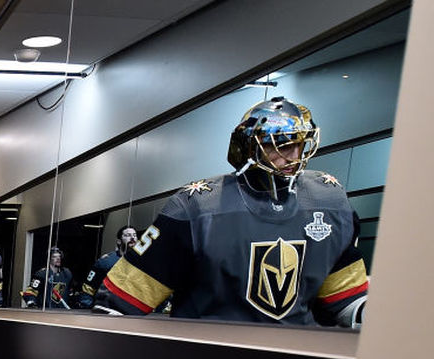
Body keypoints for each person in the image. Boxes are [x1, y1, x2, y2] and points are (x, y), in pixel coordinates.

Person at [97, 96, 368, 326]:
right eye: (281, 144)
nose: (294, 155)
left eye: (300, 143)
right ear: (249, 146)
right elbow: (120, 302)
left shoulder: (330, 202)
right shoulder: (196, 207)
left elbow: (348, 299)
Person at [77, 225, 137, 309]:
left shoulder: (141, 263)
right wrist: (87, 308)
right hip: (108, 310)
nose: (132, 238)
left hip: (132, 310)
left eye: (134, 235)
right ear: (119, 241)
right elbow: (88, 289)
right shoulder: (106, 261)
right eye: (128, 235)